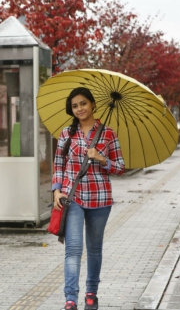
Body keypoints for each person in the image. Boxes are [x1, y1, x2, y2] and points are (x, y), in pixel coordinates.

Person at [52, 87, 125, 310]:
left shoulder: (108, 133)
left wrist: (102, 159)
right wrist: (56, 191)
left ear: (92, 104)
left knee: (94, 248)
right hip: (72, 197)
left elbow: (120, 168)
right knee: (73, 249)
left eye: (83, 103)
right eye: (75, 106)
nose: (79, 109)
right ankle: (70, 299)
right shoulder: (66, 133)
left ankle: (91, 293)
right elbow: (58, 166)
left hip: (100, 198)